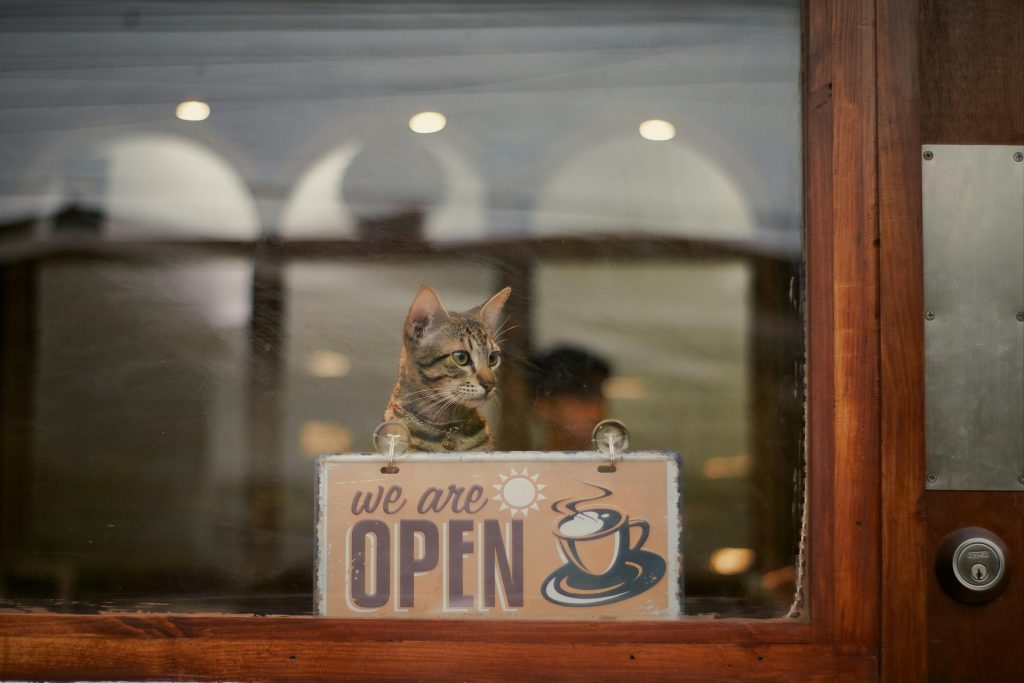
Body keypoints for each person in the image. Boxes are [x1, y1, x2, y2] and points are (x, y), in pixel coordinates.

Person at [528, 346, 612, 451]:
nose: (596, 412)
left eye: (600, 397)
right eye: (582, 397)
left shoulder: (618, 464)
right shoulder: (519, 465)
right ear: (543, 406)